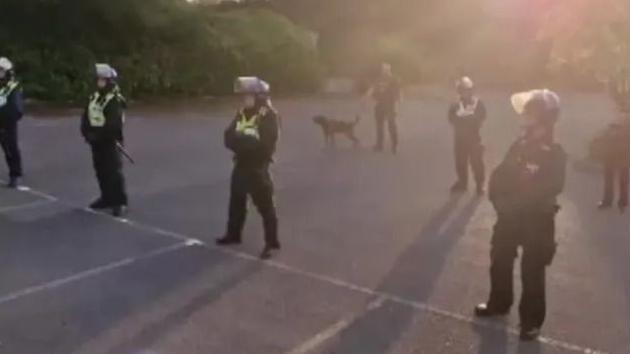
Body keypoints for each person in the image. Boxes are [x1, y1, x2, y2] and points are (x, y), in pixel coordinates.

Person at [475, 89, 567, 341]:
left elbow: (552, 185)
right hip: (509, 217)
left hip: (537, 221)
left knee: (532, 270)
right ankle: (499, 302)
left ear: (545, 118)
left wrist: (518, 203)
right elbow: (499, 176)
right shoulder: (519, 145)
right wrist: (499, 200)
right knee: (500, 258)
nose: (525, 117)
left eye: (531, 112)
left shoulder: (555, 153)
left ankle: (531, 322)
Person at [217, 77, 280, 260]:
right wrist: (243, 143)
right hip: (242, 163)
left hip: (258, 166)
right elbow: (228, 137)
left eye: (247, 95)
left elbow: (266, 144)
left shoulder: (269, 116)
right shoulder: (242, 113)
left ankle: (271, 241)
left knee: (265, 205)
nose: (243, 99)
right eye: (243, 95)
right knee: (236, 201)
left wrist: (240, 142)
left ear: (259, 96)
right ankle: (233, 234)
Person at [81, 63, 128, 217]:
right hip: (96, 141)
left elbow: (113, 124)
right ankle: (106, 198)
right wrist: (86, 133)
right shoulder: (94, 97)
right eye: (97, 79)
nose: (97, 82)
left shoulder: (114, 99)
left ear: (108, 81)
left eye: (101, 80)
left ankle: (119, 202)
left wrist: (98, 136)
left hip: (110, 141)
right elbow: (86, 116)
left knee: (113, 172)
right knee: (100, 171)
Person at [448, 77, 486, 195]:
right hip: (459, 138)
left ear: (471, 90)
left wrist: (467, 119)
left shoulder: (477, 103)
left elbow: (482, 116)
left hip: (474, 138)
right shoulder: (455, 104)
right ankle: (462, 183)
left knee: (477, 163)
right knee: (460, 162)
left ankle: (479, 185)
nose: (464, 93)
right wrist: (462, 119)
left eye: (467, 90)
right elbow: (451, 117)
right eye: (462, 90)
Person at [589, 112, 630, 211]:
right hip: (613, 150)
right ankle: (614, 201)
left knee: (620, 176)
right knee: (611, 176)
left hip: (620, 149)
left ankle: (618, 201)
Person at [0, 57, 24, 188]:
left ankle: (15, 174)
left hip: (7, 124)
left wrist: (6, 121)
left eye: (1, 71)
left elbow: (17, 109)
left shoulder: (13, 87)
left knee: (10, 149)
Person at [368, 63, 401, 153]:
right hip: (379, 105)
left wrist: (398, 103)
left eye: (387, 69)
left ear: (390, 70)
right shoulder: (378, 79)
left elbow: (397, 92)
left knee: (391, 126)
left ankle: (395, 145)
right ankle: (379, 145)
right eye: (383, 69)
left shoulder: (394, 79)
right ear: (382, 70)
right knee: (379, 126)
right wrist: (366, 97)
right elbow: (373, 88)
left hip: (390, 105)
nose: (385, 71)